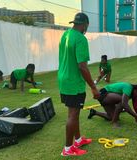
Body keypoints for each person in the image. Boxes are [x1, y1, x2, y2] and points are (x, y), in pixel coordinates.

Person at [58, 13, 100, 157]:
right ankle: (68, 149)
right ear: (85, 25)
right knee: (73, 114)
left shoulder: (66, 35)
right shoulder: (81, 39)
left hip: (64, 79)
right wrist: (93, 87)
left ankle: (78, 140)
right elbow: (82, 66)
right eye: (86, 27)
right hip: (73, 82)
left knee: (74, 113)